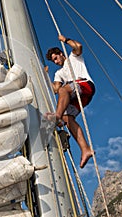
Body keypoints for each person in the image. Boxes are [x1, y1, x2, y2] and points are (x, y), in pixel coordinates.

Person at [45, 35, 95, 168]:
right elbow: (55, 88)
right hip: (79, 96)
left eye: (55, 58)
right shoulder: (59, 73)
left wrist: (65, 40)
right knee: (68, 118)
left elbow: (78, 47)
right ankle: (85, 149)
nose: (55, 62)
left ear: (61, 54)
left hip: (84, 85)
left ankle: (57, 116)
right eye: (53, 61)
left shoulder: (73, 58)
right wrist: (44, 76)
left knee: (63, 91)